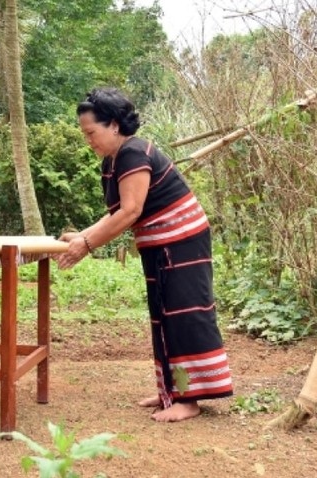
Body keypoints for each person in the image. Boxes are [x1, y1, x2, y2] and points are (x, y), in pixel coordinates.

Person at [56, 87, 233, 422]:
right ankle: (172, 389)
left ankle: (190, 399)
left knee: (183, 316)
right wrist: (84, 236)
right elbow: (119, 212)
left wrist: (87, 244)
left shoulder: (133, 154)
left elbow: (130, 212)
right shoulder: (114, 160)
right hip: (160, 244)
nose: (88, 140)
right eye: (84, 134)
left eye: (91, 133)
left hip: (182, 241)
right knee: (163, 317)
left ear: (114, 126)